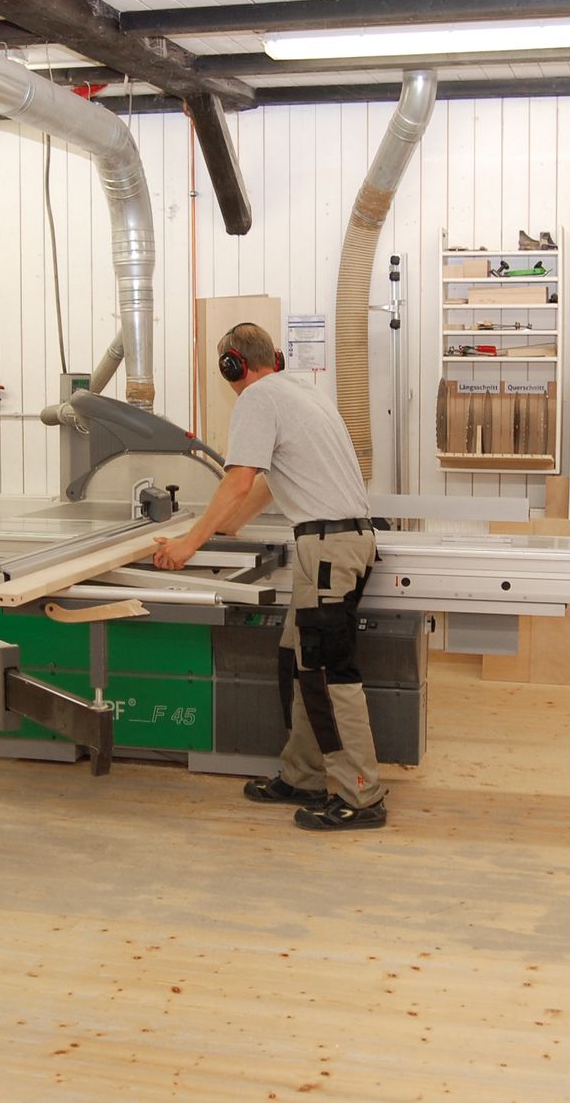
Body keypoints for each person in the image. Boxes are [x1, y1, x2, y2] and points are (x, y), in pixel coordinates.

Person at [153, 323, 387, 833]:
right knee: (297, 661)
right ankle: (302, 776)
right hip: (335, 543)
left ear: (232, 365)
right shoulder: (301, 390)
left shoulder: (257, 398)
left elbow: (238, 479)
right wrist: (229, 523)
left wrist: (190, 542)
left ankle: (360, 794)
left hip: (327, 549)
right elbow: (266, 478)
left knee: (327, 673)